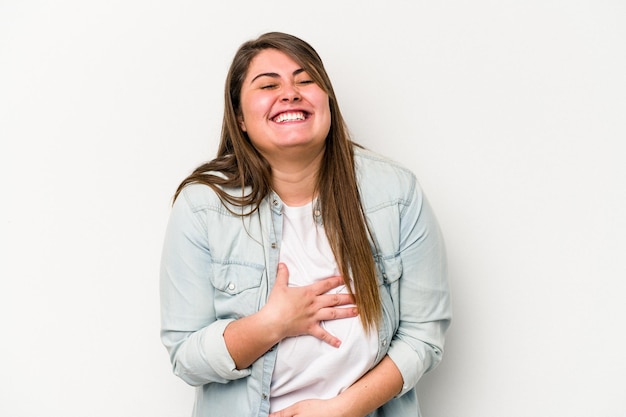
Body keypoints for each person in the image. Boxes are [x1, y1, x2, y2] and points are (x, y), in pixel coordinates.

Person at [160, 31, 451, 417]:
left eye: (305, 80)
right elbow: (186, 357)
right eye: (268, 85)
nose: (291, 93)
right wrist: (272, 324)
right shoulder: (201, 207)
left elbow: (423, 336)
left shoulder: (396, 193)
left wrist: (345, 408)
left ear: (327, 101)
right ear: (241, 118)